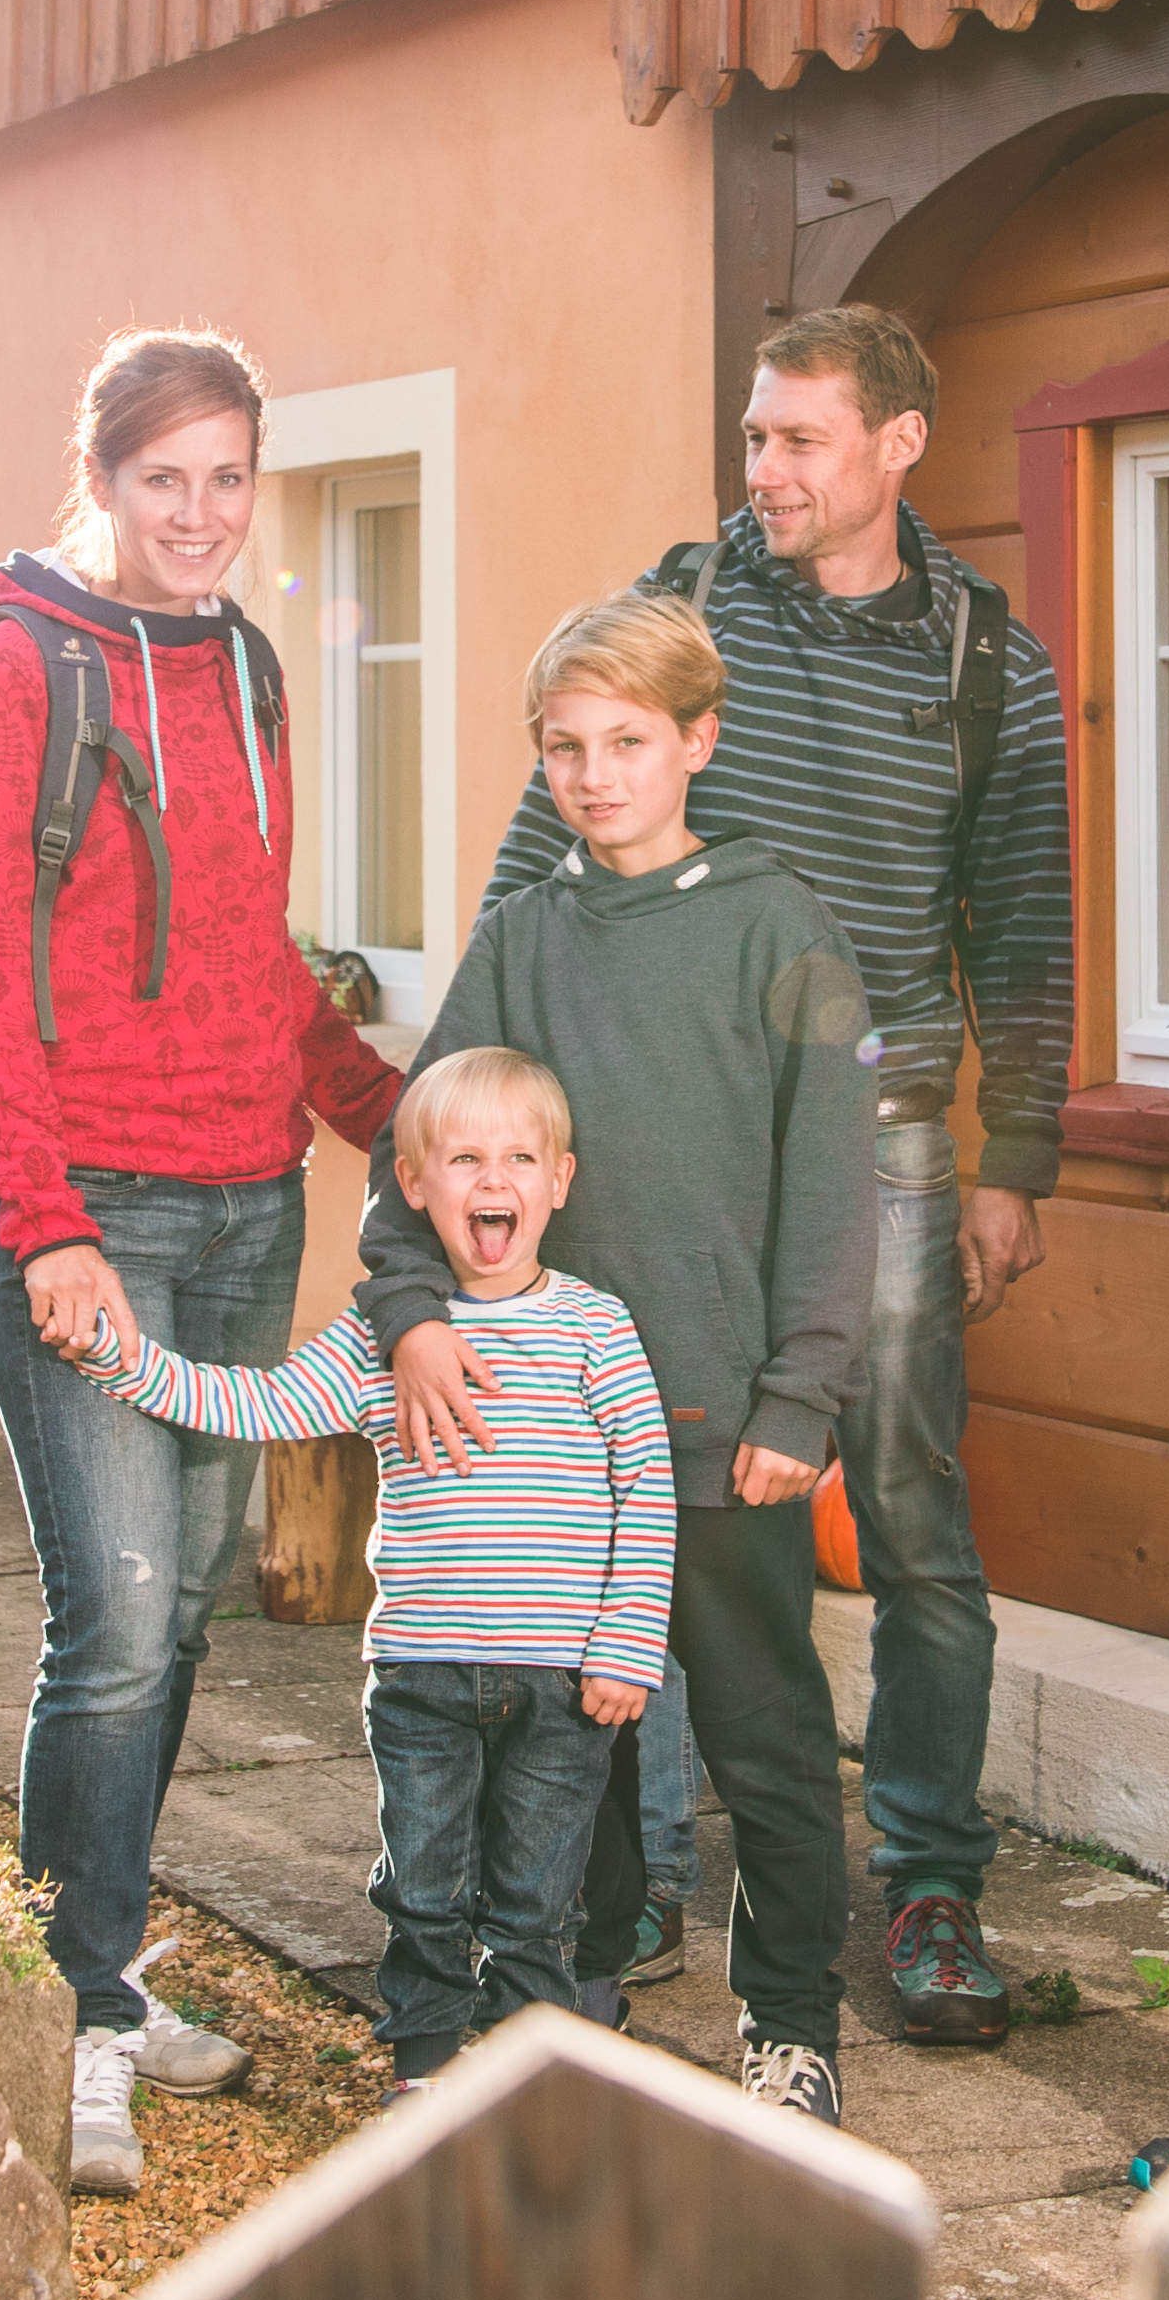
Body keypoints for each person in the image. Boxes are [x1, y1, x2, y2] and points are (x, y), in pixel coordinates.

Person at [433, 304, 1066, 2050]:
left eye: (798, 439)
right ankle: (628, 1884)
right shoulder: (680, 604)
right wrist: (477, 1087)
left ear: (897, 446)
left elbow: (1021, 919)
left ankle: (927, 1884)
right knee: (644, 1505)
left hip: (881, 1147)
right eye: (754, 436)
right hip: (670, 1140)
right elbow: (538, 856)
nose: (764, 469)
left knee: (916, 1523)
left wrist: (1019, 1151)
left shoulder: (980, 659)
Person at [0, 324, 406, 2197]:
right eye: (165, 479)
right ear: (103, 478)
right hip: (96, 1215)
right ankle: (72, 2008)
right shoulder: (11, 678)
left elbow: (249, 953)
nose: (201, 514)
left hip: (246, 1197)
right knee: (117, 1619)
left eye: (229, 479)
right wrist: (41, 1227)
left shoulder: (246, 667)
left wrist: (392, 1113)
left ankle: (104, 1964)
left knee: (187, 1599)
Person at [361, 591, 882, 2120]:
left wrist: (803, 1388)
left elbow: (837, 1183)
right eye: (567, 748)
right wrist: (411, 1319)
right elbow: (425, 1148)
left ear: (696, 743)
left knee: (765, 1742)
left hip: (724, 1426)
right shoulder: (528, 935)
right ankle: (567, 2001)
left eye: (629, 744)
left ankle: (791, 2025)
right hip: (550, 1443)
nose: (595, 777)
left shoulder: (775, 924)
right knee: (560, 1748)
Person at [54, 1047, 672, 2095]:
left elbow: (643, 1489)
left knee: (537, 1901)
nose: (493, 1180)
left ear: (558, 1182)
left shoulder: (592, 1329)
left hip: (565, 1683)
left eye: (521, 1157)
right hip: (424, 1676)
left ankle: (522, 2079)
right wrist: (128, 1361)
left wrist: (627, 1643)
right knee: (423, 1890)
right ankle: (427, 2068)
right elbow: (256, 1405)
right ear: (415, 1187)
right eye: (464, 1158)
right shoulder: (376, 1342)